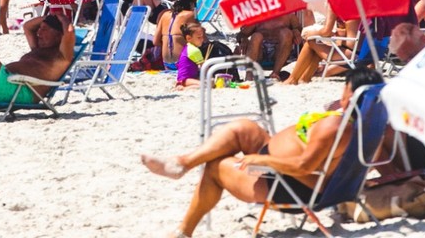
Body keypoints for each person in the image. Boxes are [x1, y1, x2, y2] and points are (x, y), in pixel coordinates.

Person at [141, 67, 384, 238]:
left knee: (216, 166)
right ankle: (182, 163)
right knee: (243, 128)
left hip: (290, 186)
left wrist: (263, 159)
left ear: (352, 94)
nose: (342, 93)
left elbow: (303, 167)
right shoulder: (372, 123)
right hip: (291, 173)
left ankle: (184, 232)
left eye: (346, 88)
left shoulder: (337, 127)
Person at [235, 13, 303, 81]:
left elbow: (299, 29)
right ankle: (249, 75)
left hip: (280, 53)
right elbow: (241, 34)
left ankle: (275, 73)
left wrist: (296, 31)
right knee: (256, 36)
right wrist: (243, 39)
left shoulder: (288, 15)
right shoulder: (257, 17)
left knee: (287, 33)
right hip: (259, 54)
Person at [153, 0, 197, 65]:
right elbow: (200, 41)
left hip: (167, 63)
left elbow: (155, 41)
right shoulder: (190, 15)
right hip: (182, 63)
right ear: (191, 3)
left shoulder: (164, 14)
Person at [176, 21, 206, 88]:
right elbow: (205, 67)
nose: (202, 39)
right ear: (188, 38)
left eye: (202, 37)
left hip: (184, 77)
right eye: (199, 37)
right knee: (205, 85)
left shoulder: (188, 47)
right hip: (186, 78)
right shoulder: (194, 50)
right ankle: (183, 89)